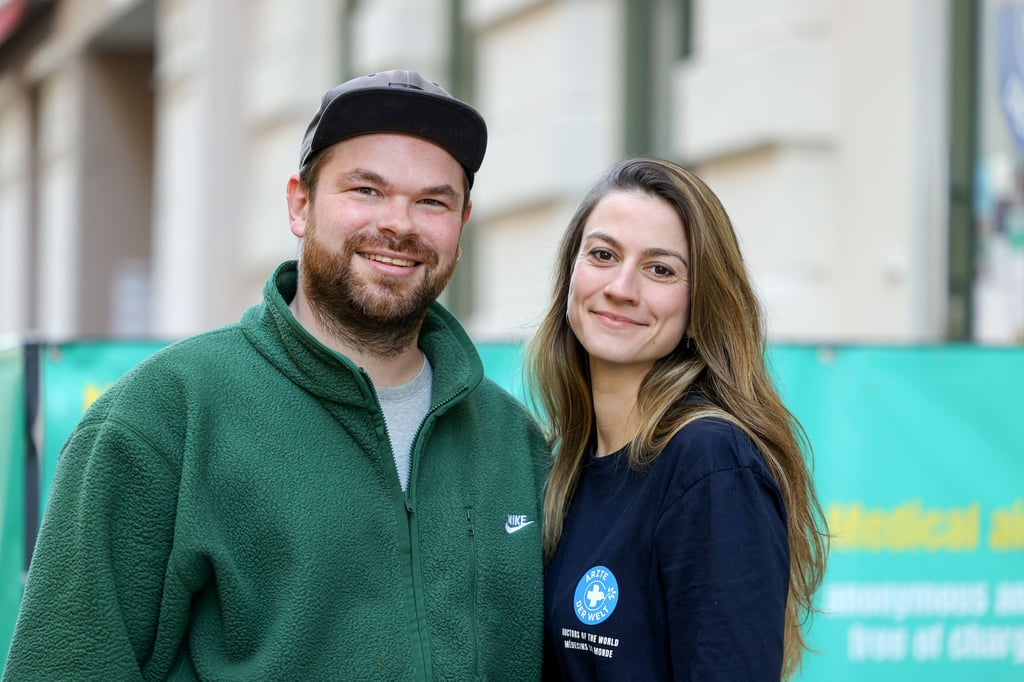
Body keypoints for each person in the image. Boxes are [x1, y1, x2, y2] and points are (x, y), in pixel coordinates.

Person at [3, 70, 549, 681]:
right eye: (366, 190)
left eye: (432, 201)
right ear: (299, 203)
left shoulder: (517, 445)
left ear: (462, 221)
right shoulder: (162, 417)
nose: (399, 223)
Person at [526, 157, 828, 680]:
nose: (622, 287)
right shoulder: (565, 470)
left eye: (660, 269)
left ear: (698, 309)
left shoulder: (710, 463)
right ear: (570, 276)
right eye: (603, 254)